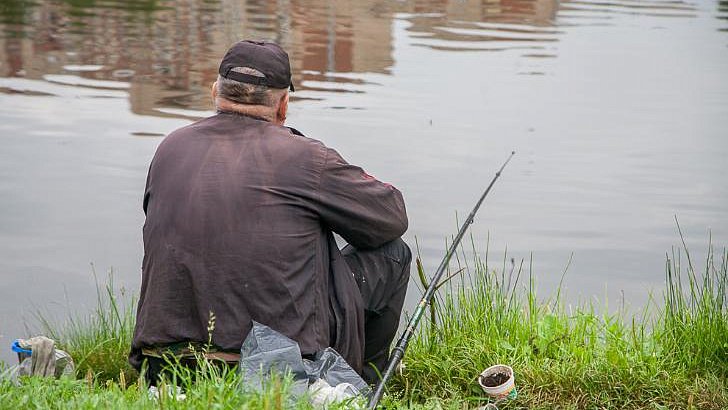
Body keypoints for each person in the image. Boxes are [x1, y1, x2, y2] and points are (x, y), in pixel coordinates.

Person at [129, 40, 411, 385]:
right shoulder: (305, 157)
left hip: (163, 365)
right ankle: (355, 384)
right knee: (393, 254)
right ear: (283, 104)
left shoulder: (170, 148)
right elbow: (391, 218)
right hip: (271, 366)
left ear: (215, 91)